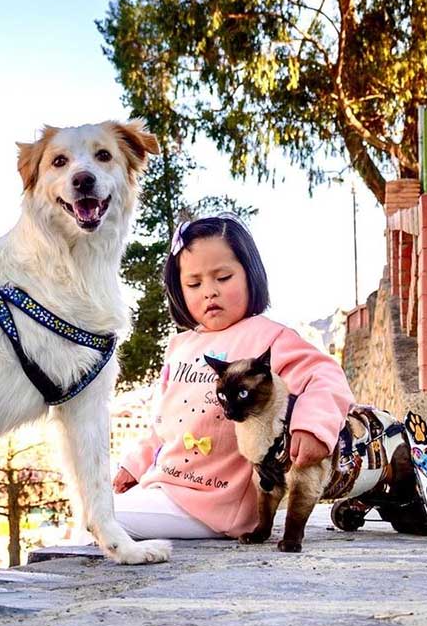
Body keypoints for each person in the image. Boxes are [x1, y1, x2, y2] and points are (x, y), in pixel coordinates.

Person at [113, 215, 354, 539]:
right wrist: (135, 463)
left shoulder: (268, 337)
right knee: (100, 513)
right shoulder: (180, 347)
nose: (209, 292)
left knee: (100, 519)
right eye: (194, 284)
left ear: (249, 275)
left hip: (216, 504)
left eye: (223, 277)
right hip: (164, 487)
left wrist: (312, 427)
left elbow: (325, 375)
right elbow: (165, 427)